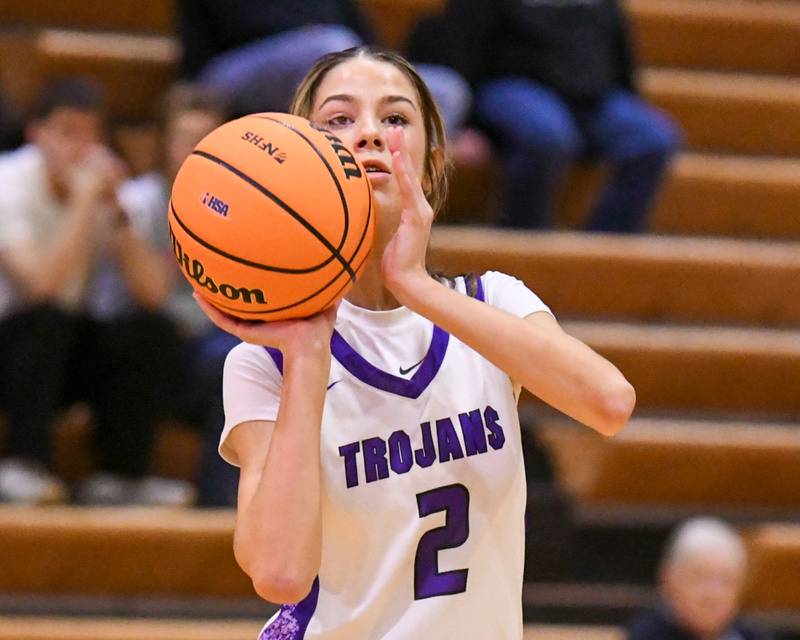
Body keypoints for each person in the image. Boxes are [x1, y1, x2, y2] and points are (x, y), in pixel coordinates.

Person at [194, 46, 636, 638]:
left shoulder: (491, 303)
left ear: (429, 165)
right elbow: (279, 573)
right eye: (340, 120)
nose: (370, 133)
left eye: (395, 118)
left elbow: (608, 402)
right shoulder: (266, 357)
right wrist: (305, 357)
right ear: (299, 160)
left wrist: (416, 285)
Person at [0, 77, 189, 506]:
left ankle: (121, 478)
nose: (81, 148)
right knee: (45, 322)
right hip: (14, 346)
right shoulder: (8, 183)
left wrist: (118, 214)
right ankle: (22, 465)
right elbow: (42, 287)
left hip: (62, 349)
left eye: (91, 134)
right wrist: (85, 202)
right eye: (68, 132)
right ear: (36, 132)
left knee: (152, 330)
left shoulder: (104, 192)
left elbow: (154, 295)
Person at [410, 0, 682, 232]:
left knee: (653, 137)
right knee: (548, 135)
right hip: (516, 85)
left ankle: (604, 252)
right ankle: (526, 246)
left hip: (592, 98)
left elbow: (619, 48)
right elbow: (461, 42)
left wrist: (629, 99)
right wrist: (467, 125)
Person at [117, 82, 241, 507]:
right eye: (188, 139)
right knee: (230, 360)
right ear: (165, 143)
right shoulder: (137, 202)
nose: (200, 151)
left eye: (211, 141)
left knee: (257, 358)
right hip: (136, 357)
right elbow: (151, 297)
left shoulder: (241, 212)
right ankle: (218, 508)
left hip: (203, 351)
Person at [176, 0, 471, 139]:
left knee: (447, 89)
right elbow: (199, 36)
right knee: (328, 45)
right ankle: (321, 179)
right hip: (228, 69)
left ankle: (399, 192)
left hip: (329, 55)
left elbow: (365, 38)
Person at [627, 517, 771, 640]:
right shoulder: (642, 635)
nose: (713, 595)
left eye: (726, 581)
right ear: (668, 579)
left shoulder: (752, 636)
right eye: (699, 578)